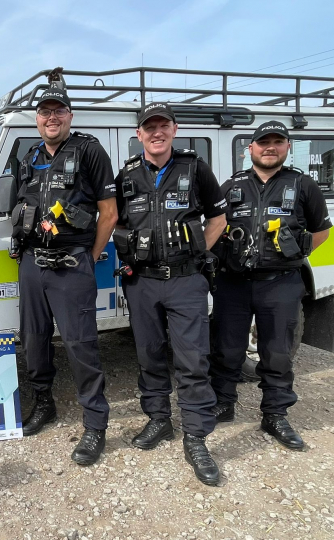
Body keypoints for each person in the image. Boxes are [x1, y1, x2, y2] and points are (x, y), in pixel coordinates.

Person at [113, 102, 227, 485]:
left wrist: (198, 255)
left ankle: (196, 438)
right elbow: (114, 219)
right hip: (142, 282)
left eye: (163, 126)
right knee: (149, 356)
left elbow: (219, 218)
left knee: (193, 360)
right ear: (139, 134)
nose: (156, 132)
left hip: (185, 280)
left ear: (174, 130)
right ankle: (158, 419)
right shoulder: (126, 175)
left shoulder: (194, 168)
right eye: (149, 127)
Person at [11, 85, 118, 466]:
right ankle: (44, 404)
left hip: (72, 264)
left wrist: (87, 256)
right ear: (37, 119)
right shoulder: (30, 157)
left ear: (70, 116)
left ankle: (95, 424)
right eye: (45, 112)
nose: (51, 118)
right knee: (34, 340)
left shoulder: (88, 151)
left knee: (80, 344)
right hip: (32, 263)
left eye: (59, 111)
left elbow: (109, 212)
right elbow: (19, 209)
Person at [209, 121, 331, 450]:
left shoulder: (302, 185)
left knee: (277, 352)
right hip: (233, 282)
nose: (270, 148)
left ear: (287, 147)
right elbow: (213, 224)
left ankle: (275, 414)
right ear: (250, 148)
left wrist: (295, 253)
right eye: (263, 142)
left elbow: (322, 231)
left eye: (278, 142)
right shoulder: (231, 185)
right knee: (226, 348)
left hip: (281, 283)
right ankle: (223, 403)